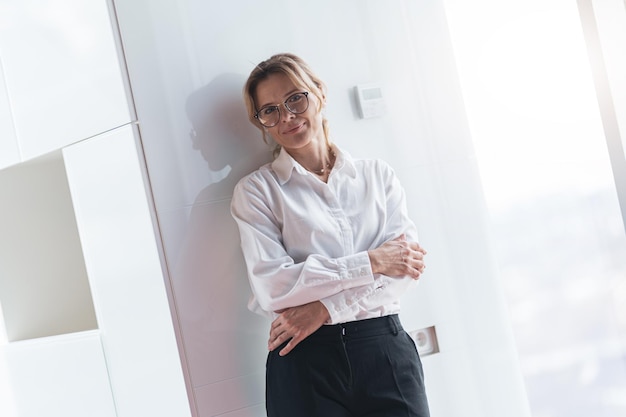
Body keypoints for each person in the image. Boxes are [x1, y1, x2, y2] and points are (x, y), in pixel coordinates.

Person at [230, 53, 430, 417]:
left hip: (383, 350)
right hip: (303, 357)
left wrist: (324, 307)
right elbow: (275, 287)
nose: (287, 116)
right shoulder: (257, 191)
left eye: (295, 99)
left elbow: (404, 269)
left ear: (319, 93)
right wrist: (372, 261)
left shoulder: (377, 177)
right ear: (261, 122)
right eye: (270, 110)